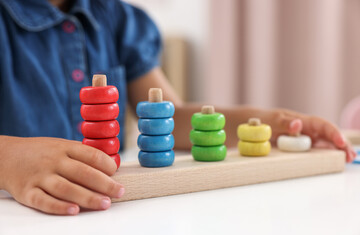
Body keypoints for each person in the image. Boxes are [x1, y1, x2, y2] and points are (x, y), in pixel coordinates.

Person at [0, 0, 355, 216]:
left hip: (113, 212)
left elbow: (170, 120)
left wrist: (265, 123)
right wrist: (8, 158)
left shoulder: (116, 18)